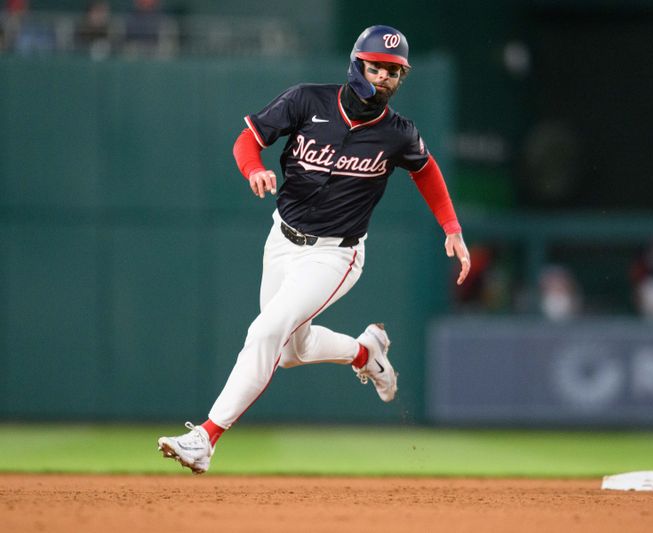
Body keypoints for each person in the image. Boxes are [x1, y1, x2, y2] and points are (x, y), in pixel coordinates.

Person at [157, 25, 471, 474]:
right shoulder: (306, 100)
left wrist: (451, 227)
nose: (383, 77)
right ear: (356, 64)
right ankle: (366, 353)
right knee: (287, 351)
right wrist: (253, 169)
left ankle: (206, 438)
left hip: (336, 255)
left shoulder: (398, 132)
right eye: (376, 66)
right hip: (282, 240)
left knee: (266, 332)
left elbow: (426, 170)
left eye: (393, 71)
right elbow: (247, 139)